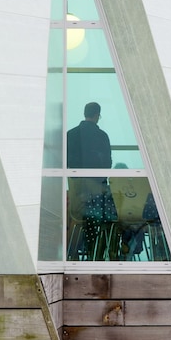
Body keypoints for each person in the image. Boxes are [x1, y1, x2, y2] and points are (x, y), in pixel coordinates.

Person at [66, 102, 115, 260]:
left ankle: (74, 255)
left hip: (77, 196)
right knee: (112, 216)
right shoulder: (102, 136)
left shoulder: (70, 134)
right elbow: (107, 165)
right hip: (96, 197)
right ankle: (99, 254)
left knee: (77, 220)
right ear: (97, 115)